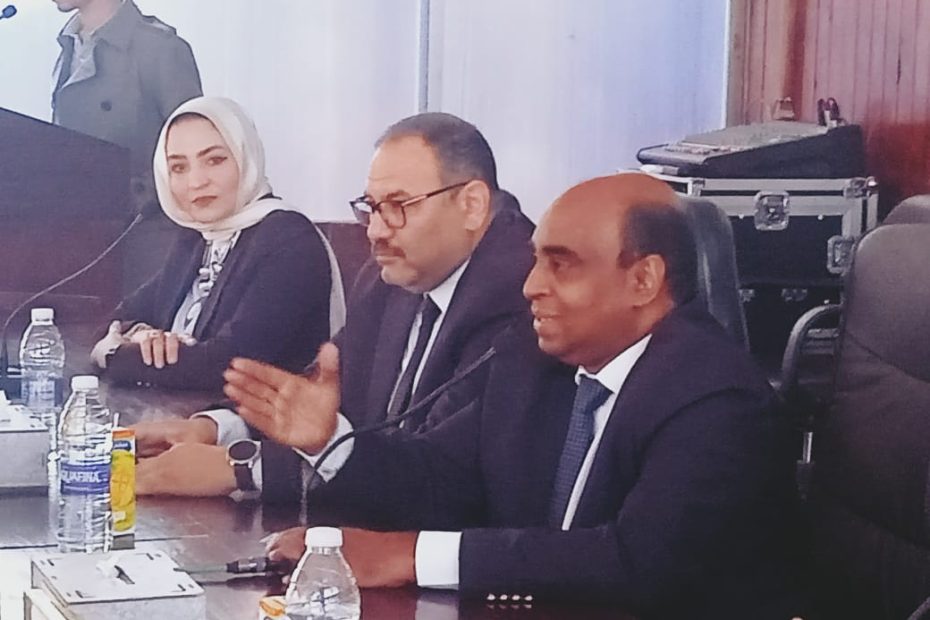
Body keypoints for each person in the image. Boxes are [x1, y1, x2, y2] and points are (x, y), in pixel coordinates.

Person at [228, 173, 802, 619]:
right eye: (535, 261)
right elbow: (442, 478)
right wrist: (332, 441)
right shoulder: (535, 362)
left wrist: (409, 555)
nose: (531, 286)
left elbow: (635, 563)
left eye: (561, 265)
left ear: (643, 280)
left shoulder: (718, 398)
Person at [132, 112, 535, 497]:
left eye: (399, 206)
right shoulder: (393, 277)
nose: (376, 231)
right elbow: (319, 401)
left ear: (471, 205)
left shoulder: (517, 299)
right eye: (371, 207)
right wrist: (215, 429)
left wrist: (244, 469)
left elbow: (443, 479)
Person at [90, 96, 344, 392]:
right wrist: (141, 335)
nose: (196, 182)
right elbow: (116, 320)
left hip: (258, 419)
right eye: (179, 167)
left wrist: (116, 355)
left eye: (214, 160)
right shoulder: (198, 238)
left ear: (246, 158)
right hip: (185, 413)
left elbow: (228, 366)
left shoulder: (289, 239)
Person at [51, 0, 203, 290]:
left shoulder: (159, 48)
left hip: (147, 242)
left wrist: (137, 196)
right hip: (81, 241)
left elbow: (195, 154)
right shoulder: (70, 46)